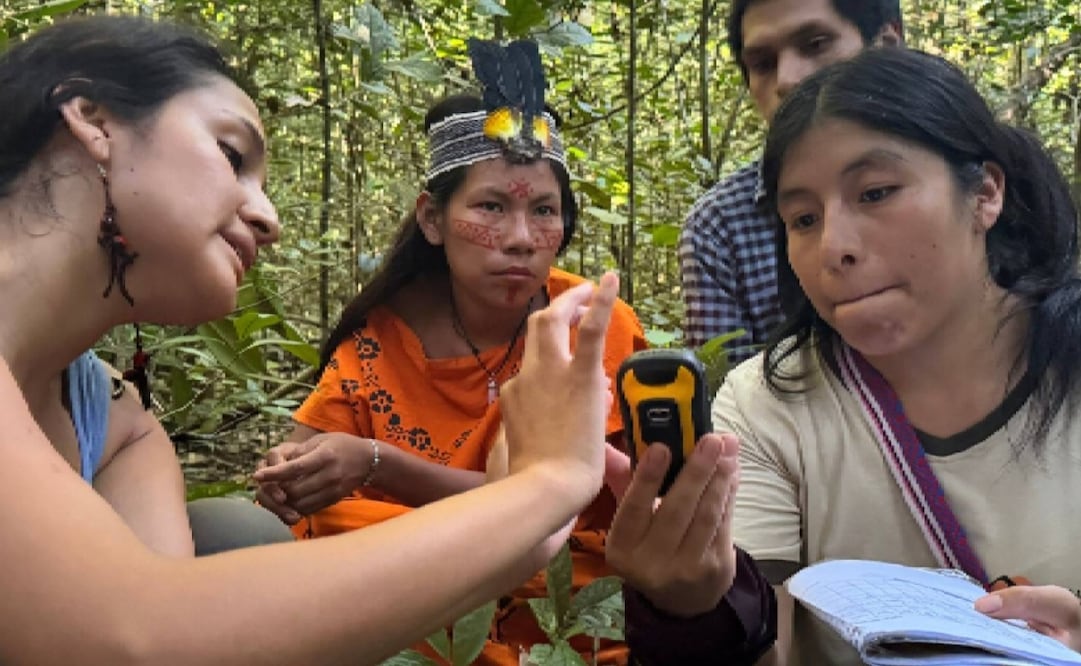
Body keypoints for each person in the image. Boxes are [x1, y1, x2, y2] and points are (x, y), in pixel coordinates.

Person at [0, 16, 622, 664]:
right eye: (232, 156)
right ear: (93, 121)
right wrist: (543, 487)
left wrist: (531, 501)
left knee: (233, 533)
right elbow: (135, 636)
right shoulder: (378, 343)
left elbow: (184, 623)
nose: (267, 218)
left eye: (544, 212)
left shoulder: (121, 427)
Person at [608, 47, 1081, 665]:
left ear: (985, 193)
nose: (835, 247)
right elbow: (765, 648)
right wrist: (690, 606)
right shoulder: (769, 405)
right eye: (803, 218)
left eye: (877, 193)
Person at [253, 39, 647, 665]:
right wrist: (291, 473)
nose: (520, 239)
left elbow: (556, 502)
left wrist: (377, 463)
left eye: (543, 211)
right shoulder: (384, 333)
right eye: (491, 206)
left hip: (553, 584)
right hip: (413, 569)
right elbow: (304, 445)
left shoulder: (593, 323)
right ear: (433, 220)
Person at [679, 0, 902, 362]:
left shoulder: (969, 169)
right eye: (764, 64)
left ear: (886, 44)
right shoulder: (722, 225)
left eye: (815, 44)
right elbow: (724, 395)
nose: (787, 80)